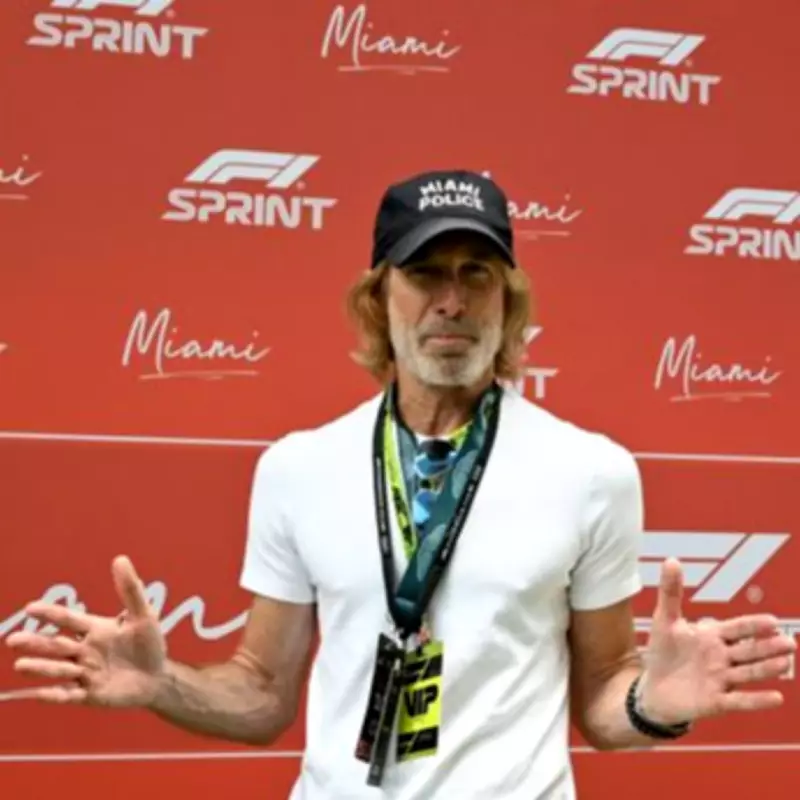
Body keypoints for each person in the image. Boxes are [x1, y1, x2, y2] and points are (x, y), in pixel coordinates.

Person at [5, 169, 795, 799]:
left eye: (477, 273)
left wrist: (650, 705)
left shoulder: (593, 471)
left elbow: (602, 694)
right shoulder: (297, 466)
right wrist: (160, 683)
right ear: (378, 299)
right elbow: (261, 693)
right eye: (423, 273)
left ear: (509, 301)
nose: (451, 300)